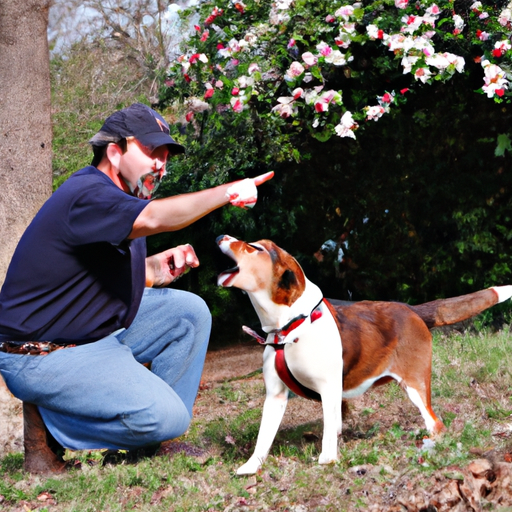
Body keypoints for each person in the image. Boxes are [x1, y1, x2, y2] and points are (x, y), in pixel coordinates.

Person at [0, 103, 273, 473]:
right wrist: (228, 192)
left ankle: (156, 440)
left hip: (86, 335)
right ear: (115, 151)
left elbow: (84, 274)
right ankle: (49, 424)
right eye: (150, 151)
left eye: (165, 155)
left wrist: (153, 269)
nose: (160, 163)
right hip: (40, 354)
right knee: (170, 417)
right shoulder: (88, 194)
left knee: (189, 314)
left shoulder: (120, 198)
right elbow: (158, 217)